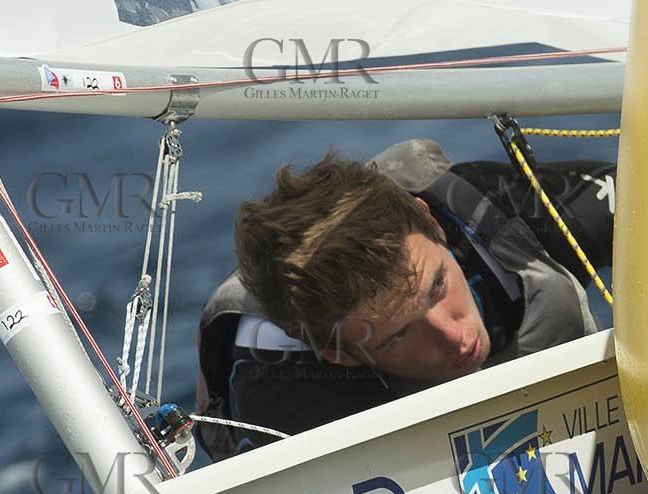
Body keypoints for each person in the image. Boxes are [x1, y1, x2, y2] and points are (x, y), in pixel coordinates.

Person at [195, 138, 616, 459]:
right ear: (339, 353)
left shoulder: (500, 210)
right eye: (398, 335)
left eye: (438, 286)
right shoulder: (287, 400)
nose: (452, 336)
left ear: (432, 224)